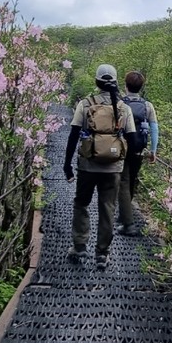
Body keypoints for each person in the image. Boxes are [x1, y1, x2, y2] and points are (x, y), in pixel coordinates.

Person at [63, 64, 137, 270]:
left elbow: (73, 136)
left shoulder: (85, 105)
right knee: (107, 208)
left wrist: (67, 165)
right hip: (113, 168)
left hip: (87, 166)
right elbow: (133, 140)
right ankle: (102, 254)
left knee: (81, 203)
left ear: (96, 82)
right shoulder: (124, 108)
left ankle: (79, 246)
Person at [116, 71, 159, 237]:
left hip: (122, 148)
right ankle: (124, 215)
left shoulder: (120, 104)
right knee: (132, 181)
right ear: (141, 87)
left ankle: (128, 223)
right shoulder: (148, 106)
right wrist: (153, 150)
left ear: (125, 85)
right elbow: (154, 128)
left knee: (124, 182)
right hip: (139, 149)